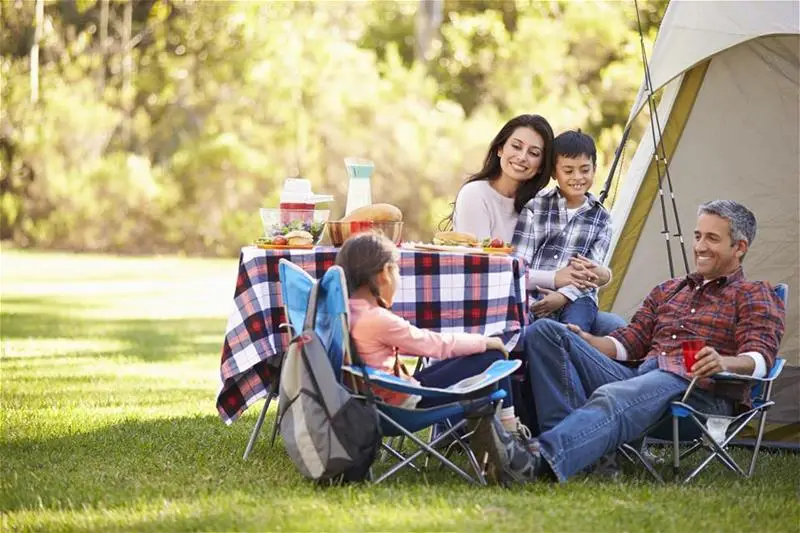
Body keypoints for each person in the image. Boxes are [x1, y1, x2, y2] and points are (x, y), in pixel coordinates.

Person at [504, 199, 785, 483]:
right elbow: (629, 343)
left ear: (739, 247)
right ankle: (587, 458)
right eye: (698, 236)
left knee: (615, 394)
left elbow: (761, 357)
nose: (700, 246)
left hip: (696, 395)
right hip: (640, 376)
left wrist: (722, 362)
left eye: (712, 238)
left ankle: (536, 459)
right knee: (545, 332)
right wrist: (585, 339)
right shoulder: (669, 290)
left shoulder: (754, 294)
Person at [335, 232, 528, 437]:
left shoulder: (346, 311)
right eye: (398, 270)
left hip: (375, 402)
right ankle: (511, 435)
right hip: (403, 406)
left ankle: (496, 432)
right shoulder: (376, 319)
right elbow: (435, 345)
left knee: (476, 355)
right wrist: (486, 342)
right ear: (384, 273)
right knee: (493, 356)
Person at [444, 116, 622, 336]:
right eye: (516, 146)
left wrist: (602, 275)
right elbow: (484, 268)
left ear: (541, 167)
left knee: (615, 327)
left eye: (534, 153)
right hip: (494, 298)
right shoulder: (479, 195)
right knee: (550, 334)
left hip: (569, 299)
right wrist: (556, 278)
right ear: (500, 148)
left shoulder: (535, 201)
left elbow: (595, 266)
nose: (522, 157)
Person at [512, 129, 613, 332]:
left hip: (577, 298)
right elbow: (517, 266)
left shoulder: (602, 219)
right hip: (533, 295)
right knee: (531, 331)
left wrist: (563, 296)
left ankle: (571, 357)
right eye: (568, 171)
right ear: (554, 173)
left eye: (585, 170)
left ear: (594, 168)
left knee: (573, 334)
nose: (578, 177)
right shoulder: (535, 207)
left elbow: (591, 273)